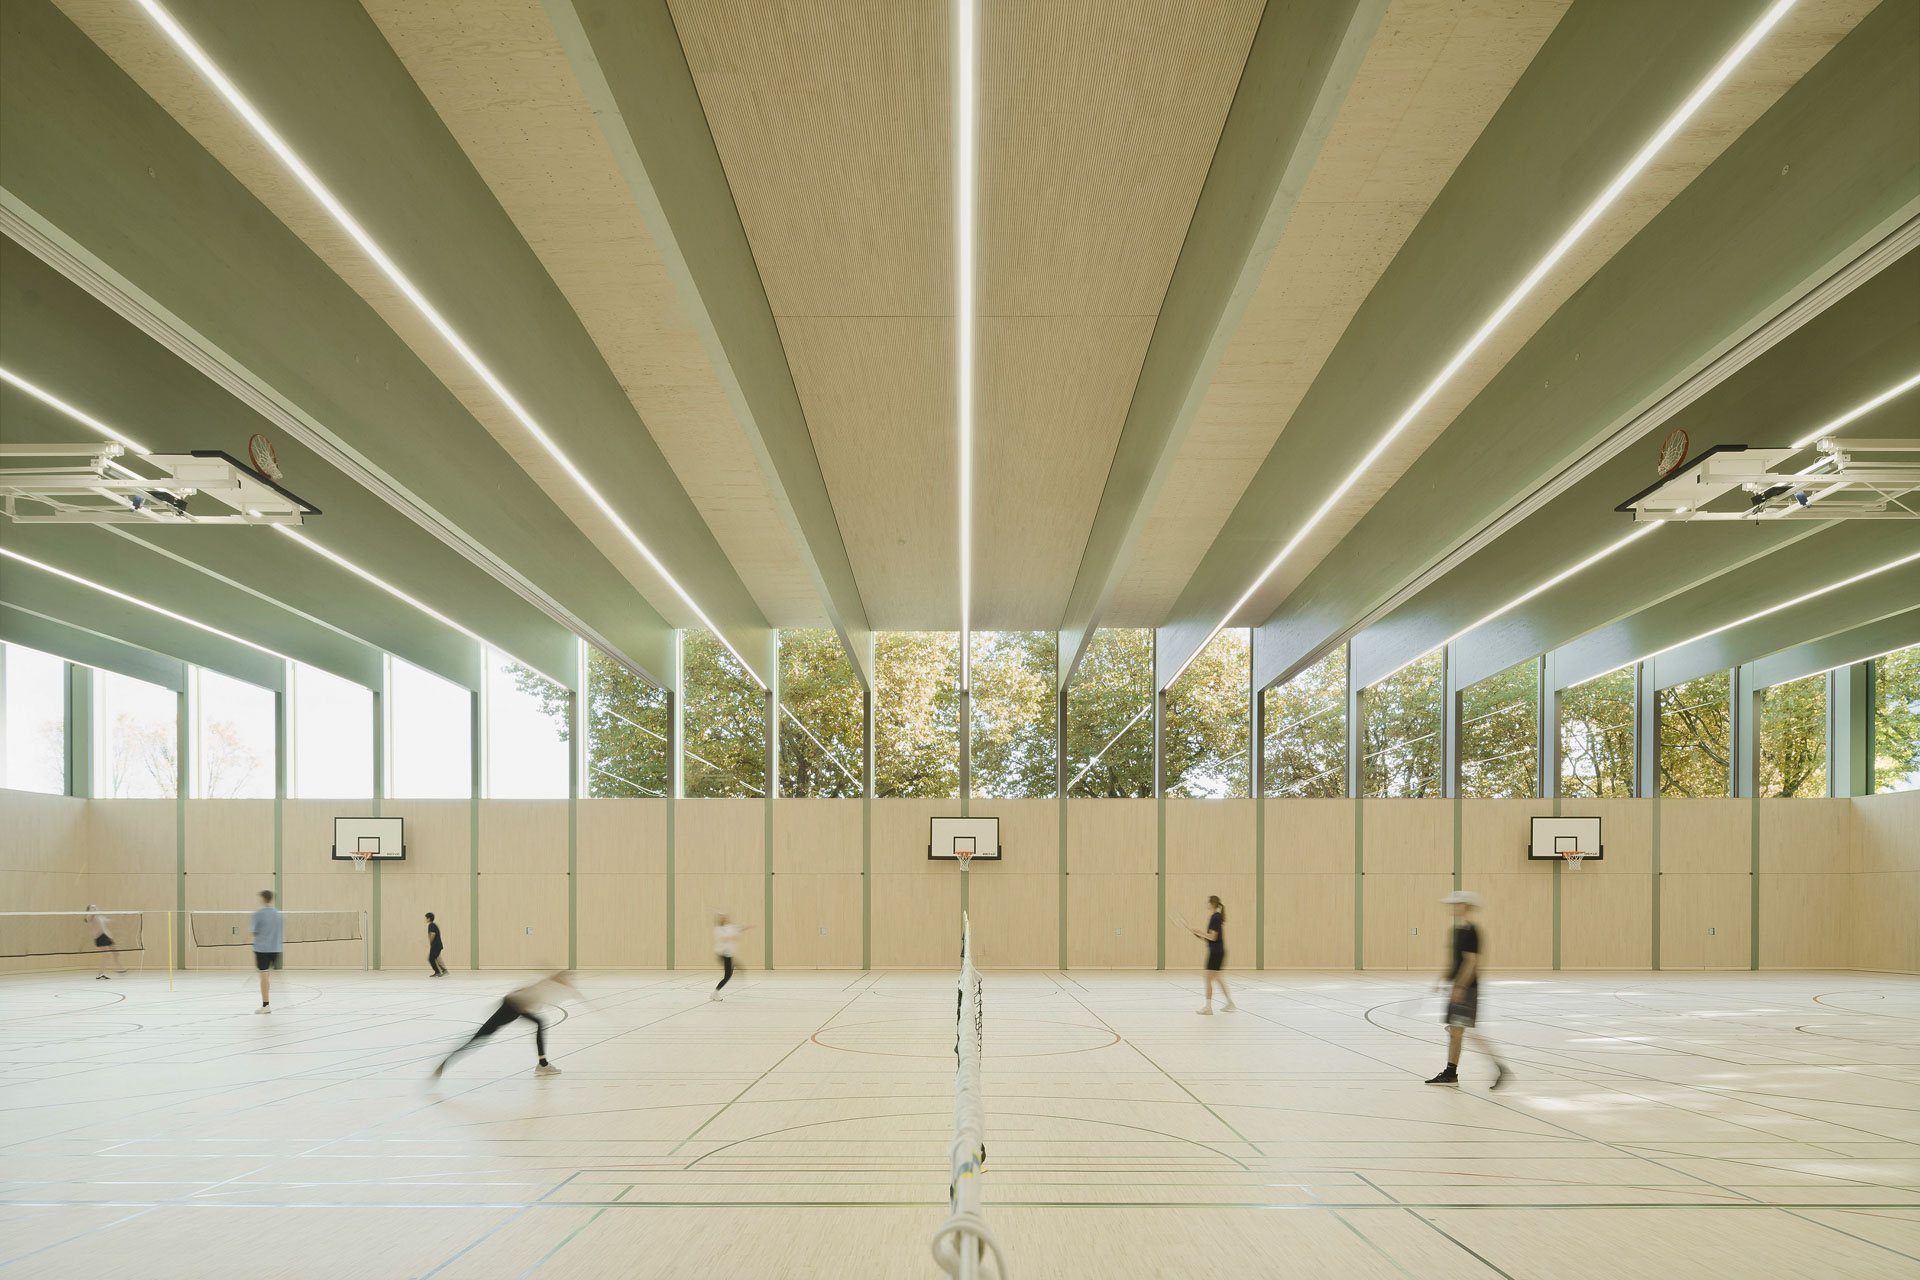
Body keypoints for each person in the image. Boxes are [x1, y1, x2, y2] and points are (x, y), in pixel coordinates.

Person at [1426, 891, 1509, 1089]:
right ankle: (1450, 1073)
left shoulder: (1472, 931)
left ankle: (1499, 1067)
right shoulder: (1457, 930)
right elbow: (1456, 961)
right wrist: (1443, 979)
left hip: (1467, 989)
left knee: (1464, 1032)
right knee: (1455, 1031)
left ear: (1467, 906)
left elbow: (1472, 963)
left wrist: (1461, 987)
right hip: (1458, 988)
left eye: (1457, 904)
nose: (1453, 907)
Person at [433, 972, 575, 1079]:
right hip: (512, 1006)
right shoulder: (549, 986)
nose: (568, 982)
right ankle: (445, 1062)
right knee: (481, 1037)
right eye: (566, 980)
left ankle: (543, 1064)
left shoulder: (549, 985)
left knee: (539, 1022)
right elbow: (535, 998)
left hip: (515, 1006)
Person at [1186, 895, 1236, 1014]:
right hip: (1218, 951)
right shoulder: (1216, 916)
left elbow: (1213, 937)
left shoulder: (1215, 917)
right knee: (1217, 978)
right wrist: (1198, 934)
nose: (1206, 904)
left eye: (1207, 902)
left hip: (1215, 952)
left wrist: (1199, 931)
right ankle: (1230, 1003)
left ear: (1212, 904)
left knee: (1207, 978)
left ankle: (1208, 1007)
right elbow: (1210, 938)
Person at [249, 889, 283, 1014]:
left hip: (262, 949)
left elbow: (253, 932)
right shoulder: (279, 914)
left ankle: (265, 1005)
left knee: (263, 977)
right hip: (275, 949)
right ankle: (267, 1003)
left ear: (263, 899)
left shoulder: (257, 914)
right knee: (267, 977)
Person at [711, 912, 755, 1001]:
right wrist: (732, 936)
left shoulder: (729, 927)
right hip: (723, 954)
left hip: (728, 954)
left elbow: (739, 929)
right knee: (727, 976)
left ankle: (715, 992)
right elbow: (724, 938)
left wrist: (749, 926)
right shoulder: (718, 929)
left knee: (730, 974)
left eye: (725, 917)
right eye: (722, 918)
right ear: (719, 920)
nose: (724, 919)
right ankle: (715, 993)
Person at [85, 904, 125, 979]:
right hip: (99, 937)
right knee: (106, 956)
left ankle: (119, 968)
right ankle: (100, 974)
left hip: (106, 936)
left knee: (116, 953)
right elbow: (91, 916)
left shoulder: (100, 917)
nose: (95, 907)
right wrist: (93, 911)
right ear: (89, 909)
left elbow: (110, 920)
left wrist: (118, 916)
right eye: (92, 907)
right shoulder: (88, 916)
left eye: (95, 906)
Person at [426, 912, 447, 977]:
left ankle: (437, 971)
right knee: (436, 958)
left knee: (431, 958)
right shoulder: (434, 925)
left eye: (426, 918)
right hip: (438, 945)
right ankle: (444, 970)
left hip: (436, 945)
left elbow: (433, 934)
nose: (426, 919)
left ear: (429, 918)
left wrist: (431, 941)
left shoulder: (431, 925)